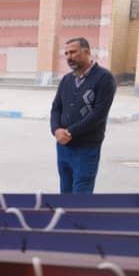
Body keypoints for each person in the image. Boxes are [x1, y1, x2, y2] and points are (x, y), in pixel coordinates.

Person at [50, 37, 117, 194]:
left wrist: (70, 132)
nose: (69, 57)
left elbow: (98, 114)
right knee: (65, 192)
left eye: (73, 52)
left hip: (86, 148)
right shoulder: (66, 80)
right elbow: (56, 108)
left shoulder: (104, 78)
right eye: (66, 53)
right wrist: (56, 130)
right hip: (64, 147)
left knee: (81, 193)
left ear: (87, 52)